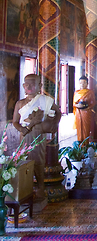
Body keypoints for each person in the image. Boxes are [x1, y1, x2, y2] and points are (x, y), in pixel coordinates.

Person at [12, 74, 61, 205]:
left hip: (38, 135)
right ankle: (25, 190)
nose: (28, 87)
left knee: (38, 162)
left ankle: (40, 189)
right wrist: (22, 129)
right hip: (24, 136)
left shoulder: (46, 100)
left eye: (32, 84)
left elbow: (58, 113)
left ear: (39, 86)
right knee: (24, 163)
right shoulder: (20, 103)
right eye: (26, 84)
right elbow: (15, 122)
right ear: (23, 86)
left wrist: (52, 126)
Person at [73, 75, 97, 142]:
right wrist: (78, 106)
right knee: (79, 129)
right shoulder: (76, 92)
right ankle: (79, 144)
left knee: (86, 129)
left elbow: (92, 103)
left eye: (84, 83)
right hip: (78, 113)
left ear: (87, 83)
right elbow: (74, 104)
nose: (82, 84)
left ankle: (85, 144)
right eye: (81, 83)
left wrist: (86, 106)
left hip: (86, 112)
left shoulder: (90, 92)